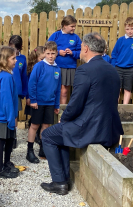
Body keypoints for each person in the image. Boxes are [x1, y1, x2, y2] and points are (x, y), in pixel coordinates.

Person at [40, 33, 123, 195]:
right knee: (61, 134)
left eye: (81, 47)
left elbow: (76, 102)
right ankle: (64, 180)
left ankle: (59, 182)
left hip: (90, 127)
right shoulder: (113, 70)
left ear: (86, 48)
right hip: (109, 128)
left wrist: (65, 118)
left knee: (48, 135)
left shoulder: (84, 70)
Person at [27, 41, 61, 164]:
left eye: (53, 53)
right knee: (34, 126)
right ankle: (30, 151)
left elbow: (57, 89)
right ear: (44, 53)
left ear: (56, 53)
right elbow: (32, 83)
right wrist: (34, 100)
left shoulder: (57, 69)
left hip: (50, 103)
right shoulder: (39, 66)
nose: (50, 56)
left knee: (46, 126)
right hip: (39, 102)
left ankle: (43, 149)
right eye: (48, 53)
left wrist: (56, 105)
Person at [0, 46, 20, 178]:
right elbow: (6, 100)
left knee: (9, 139)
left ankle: (6, 162)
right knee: (2, 141)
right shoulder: (6, 77)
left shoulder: (3, 74)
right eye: (13, 58)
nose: (16, 60)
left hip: (6, 114)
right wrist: (11, 117)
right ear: (5, 60)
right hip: (4, 116)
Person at [48, 15, 82, 104]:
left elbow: (81, 53)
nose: (74, 28)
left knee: (64, 91)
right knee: (55, 89)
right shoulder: (56, 35)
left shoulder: (76, 38)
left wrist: (72, 53)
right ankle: (53, 110)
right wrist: (59, 52)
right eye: (72, 26)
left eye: (74, 26)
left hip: (69, 68)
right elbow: (47, 49)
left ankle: (62, 112)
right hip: (56, 67)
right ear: (64, 26)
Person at [111, 17, 133, 104]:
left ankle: (125, 108)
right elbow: (114, 54)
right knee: (117, 89)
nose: (130, 31)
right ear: (125, 29)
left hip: (130, 69)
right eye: (128, 29)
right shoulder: (120, 40)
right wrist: (114, 66)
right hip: (118, 68)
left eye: (132, 28)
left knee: (127, 89)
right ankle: (115, 108)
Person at [9, 35, 28, 149]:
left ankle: (13, 137)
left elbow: (24, 76)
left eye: (17, 49)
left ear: (20, 47)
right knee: (7, 113)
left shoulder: (22, 59)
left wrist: (24, 92)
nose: (15, 51)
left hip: (17, 91)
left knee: (15, 114)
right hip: (7, 90)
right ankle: (6, 135)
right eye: (12, 48)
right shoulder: (5, 57)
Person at [25, 46, 45, 153]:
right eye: (42, 59)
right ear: (36, 57)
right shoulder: (31, 69)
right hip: (33, 97)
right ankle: (34, 134)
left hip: (41, 97)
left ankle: (38, 135)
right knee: (35, 117)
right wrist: (28, 97)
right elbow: (29, 84)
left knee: (40, 118)